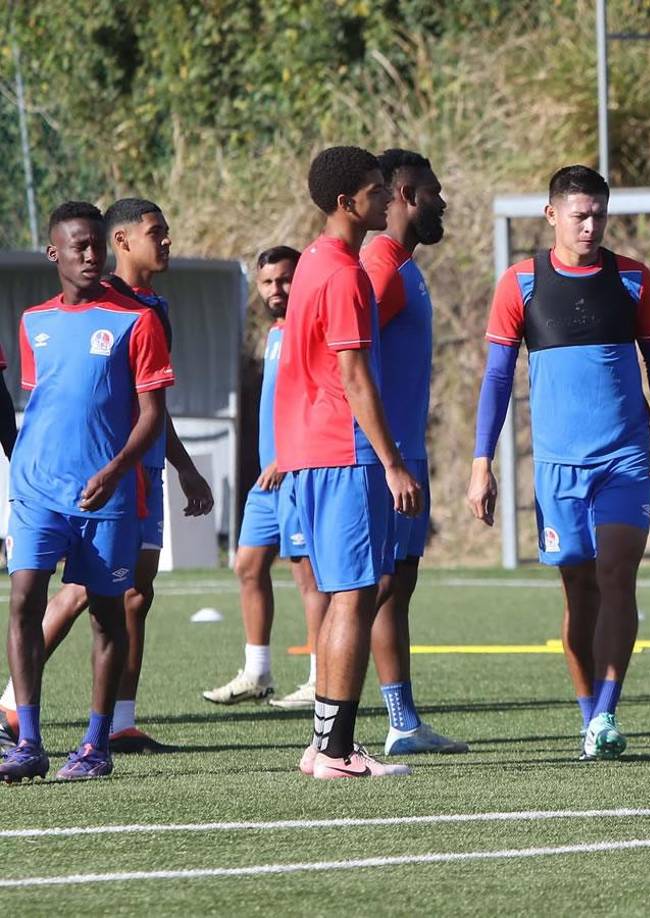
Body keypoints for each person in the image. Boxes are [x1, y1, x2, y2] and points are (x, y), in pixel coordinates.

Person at [467, 165, 650, 760]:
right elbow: (499, 379)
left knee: (617, 575)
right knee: (578, 589)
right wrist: (482, 462)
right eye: (579, 214)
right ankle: (590, 719)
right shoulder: (521, 283)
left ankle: (608, 710)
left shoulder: (634, 280)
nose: (590, 225)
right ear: (552, 215)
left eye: (599, 215)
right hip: (558, 466)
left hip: (624, 457)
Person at [0, 198, 214, 754]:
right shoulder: (51, 318)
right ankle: (14, 710)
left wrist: (179, 467)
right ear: (124, 241)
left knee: (131, 597)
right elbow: (54, 400)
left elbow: (149, 408)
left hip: (129, 475)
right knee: (77, 595)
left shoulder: (146, 313)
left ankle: (115, 724)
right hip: (88, 484)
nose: (166, 241)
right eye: (155, 233)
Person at [277, 145, 420, 780]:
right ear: (346, 202)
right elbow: (354, 374)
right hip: (345, 450)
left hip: (313, 449)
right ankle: (335, 751)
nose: (386, 198)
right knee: (354, 596)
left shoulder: (313, 259)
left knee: (347, 594)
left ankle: (324, 746)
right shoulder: (343, 272)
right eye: (374, 189)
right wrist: (391, 461)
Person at [362, 148, 467, 754]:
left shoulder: (404, 264)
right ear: (402, 194)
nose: (441, 200)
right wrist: (385, 455)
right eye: (432, 190)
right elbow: (348, 358)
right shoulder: (381, 263)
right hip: (383, 457)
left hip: (405, 453)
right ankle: (334, 721)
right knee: (370, 587)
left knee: (396, 585)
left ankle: (403, 722)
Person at [202, 246, 328, 709]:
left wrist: (287, 456)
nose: (277, 290)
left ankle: (320, 679)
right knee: (247, 566)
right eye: (268, 282)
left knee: (307, 577)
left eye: (286, 279)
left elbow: (324, 400)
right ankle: (258, 672)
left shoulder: (312, 329)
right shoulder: (275, 333)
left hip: (297, 472)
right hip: (267, 479)